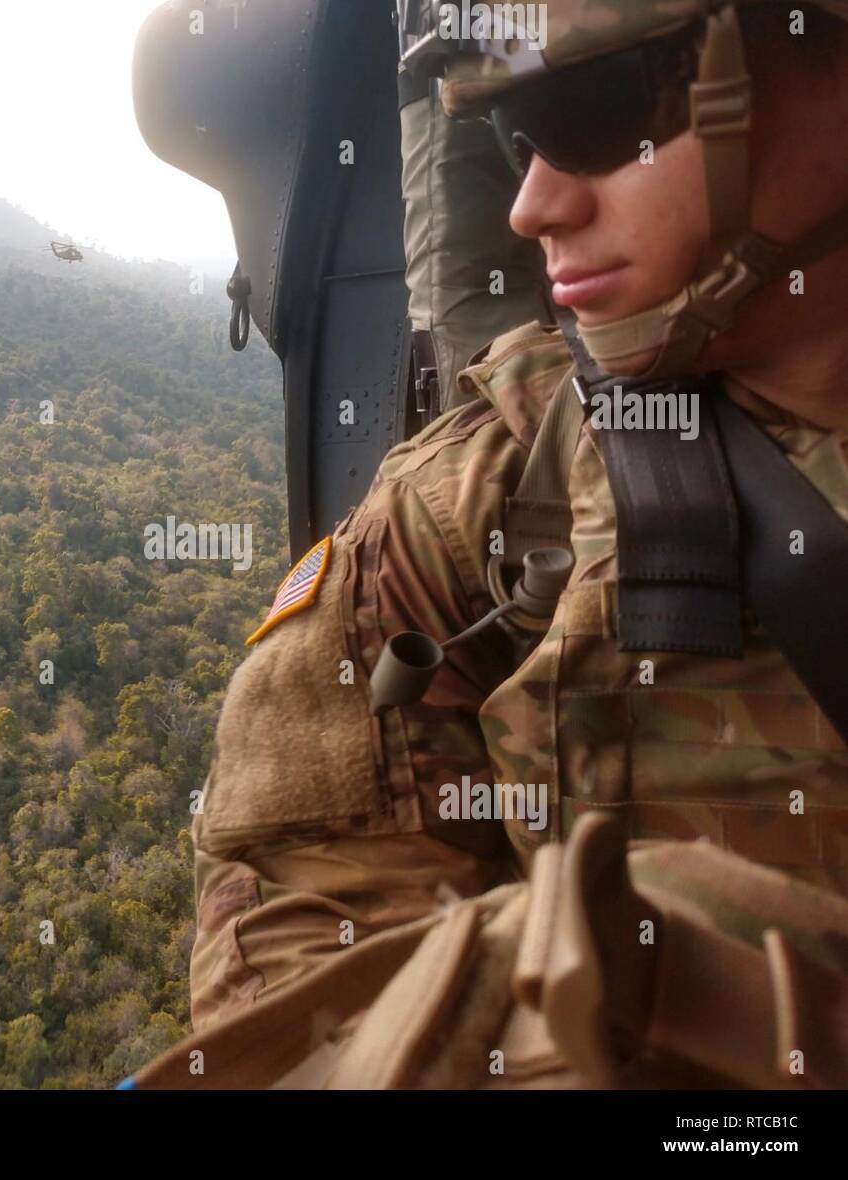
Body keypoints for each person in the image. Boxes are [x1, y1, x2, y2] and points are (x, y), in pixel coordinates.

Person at [187, 0, 848, 1077]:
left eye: (589, 108)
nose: (533, 204)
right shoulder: (475, 510)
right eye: (510, 137)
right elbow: (291, 962)